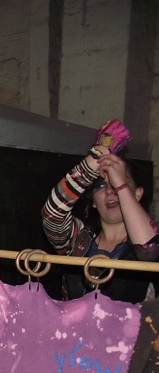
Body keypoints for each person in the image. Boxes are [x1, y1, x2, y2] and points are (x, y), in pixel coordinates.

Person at [41, 119, 159, 302]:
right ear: (94, 202)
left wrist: (121, 185)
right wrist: (98, 155)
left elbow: (148, 250)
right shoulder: (79, 241)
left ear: (137, 194)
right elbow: (52, 214)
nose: (111, 190)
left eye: (118, 182)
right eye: (102, 185)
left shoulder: (150, 237)